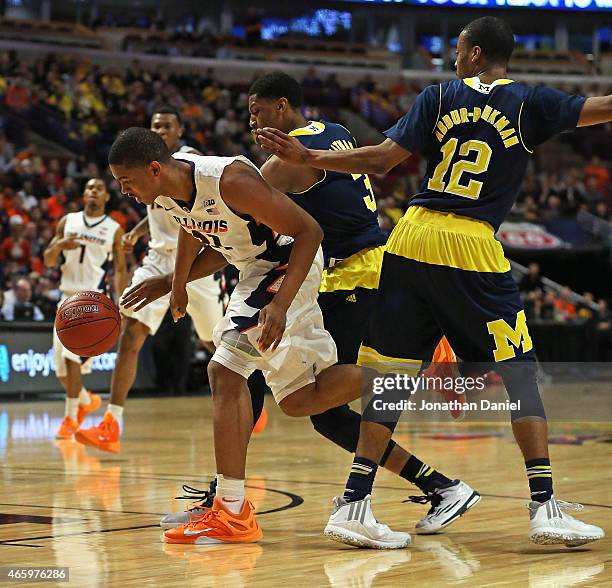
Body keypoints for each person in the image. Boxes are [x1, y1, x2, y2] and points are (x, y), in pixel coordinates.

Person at [255, 16, 607, 547]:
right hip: (469, 243)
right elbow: (602, 108)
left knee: (388, 375)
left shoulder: (438, 96)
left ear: (472, 54)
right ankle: (543, 505)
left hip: (407, 238)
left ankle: (354, 504)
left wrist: (310, 157)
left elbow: (382, 159)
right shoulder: (532, 101)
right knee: (520, 375)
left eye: (458, 48)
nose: (454, 55)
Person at [125, 73, 479, 543]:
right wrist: (176, 282)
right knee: (306, 402)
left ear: (282, 107)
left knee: (240, 371)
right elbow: (201, 219)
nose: (252, 119)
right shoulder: (333, 135)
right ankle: (439, 484)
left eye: (258, 109)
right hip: (345, 270)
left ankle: (230, 500)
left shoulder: (282, 164)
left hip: (350, 273)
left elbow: (234, 202)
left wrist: (198, 273)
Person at [109, 128, 415, 548]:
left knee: (224, 371)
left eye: (126, 181)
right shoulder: (163, 192)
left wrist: (281, 305)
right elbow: (188, 225)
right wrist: (174, 283)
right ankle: (396, 373)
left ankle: (232, 511)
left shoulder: (229, 180)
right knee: (300, 399)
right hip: (255, 272)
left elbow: (309, 232)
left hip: (289, 267)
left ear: (155, 168)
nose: (123, 191)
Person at [75, 107, 225, 454]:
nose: (159, 129)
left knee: (213, 343)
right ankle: (111, 423)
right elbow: (158, 208)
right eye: (155, 124)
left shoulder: (191, 162)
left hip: (200, 259)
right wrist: (138, 231)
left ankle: (248, 397)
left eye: (166, 125)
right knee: (131, 332)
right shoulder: (145, 165)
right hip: (159, 257)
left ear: (179, 131)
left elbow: (191, 215)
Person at [44, 178, 127, 439]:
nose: (93, 192)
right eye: (89, 188)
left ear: (106, 198)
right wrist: (58, 246)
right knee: (61, 370)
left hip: (93, 303)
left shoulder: (114, 229)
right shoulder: (67, 221)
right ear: (83, 194)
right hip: (66, 298)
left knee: (70, 360)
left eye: (99, 189)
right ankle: (84, 400)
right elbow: (47, 261)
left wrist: (120, 300)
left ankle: (70, 418)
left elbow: (121, 269)